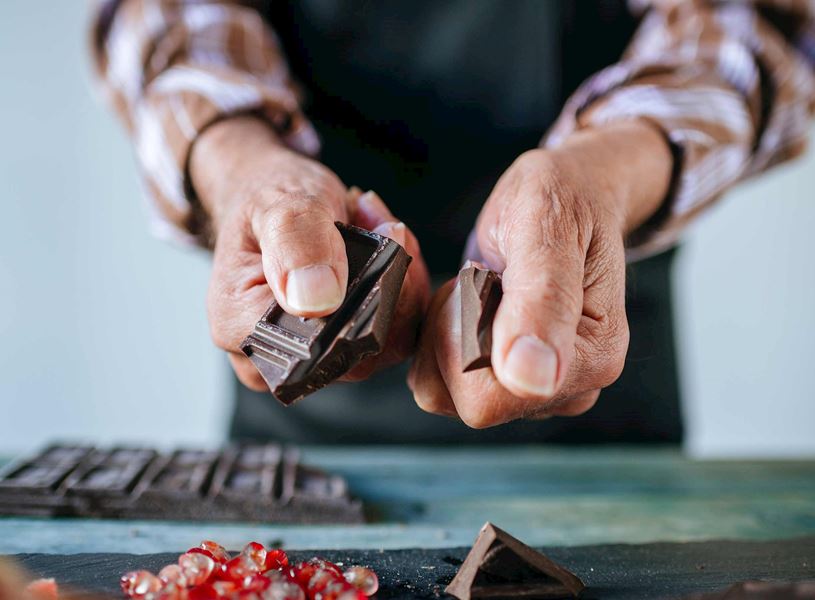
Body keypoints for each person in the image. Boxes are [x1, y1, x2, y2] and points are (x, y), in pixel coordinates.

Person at [91, 1, 815, 444]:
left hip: (595, 384)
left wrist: (605, 169)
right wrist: (243, 166)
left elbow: (748, 26)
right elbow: (166, 16)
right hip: (301, 431)